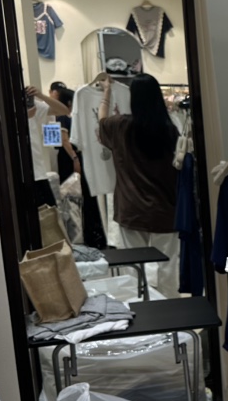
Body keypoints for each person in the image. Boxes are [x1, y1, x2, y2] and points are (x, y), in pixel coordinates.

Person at [98, 73, 179, 296]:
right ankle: (171, 307)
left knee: (134, 267)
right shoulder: (170, 130)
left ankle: (141, 307)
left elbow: (101, 121)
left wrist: (107, 92)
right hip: (166, 207)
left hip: (132, 206)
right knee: (168, 266)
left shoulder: (120, 126)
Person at [56, 87, 107, 249]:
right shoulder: (62, 116)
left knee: (83, 196)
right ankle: (82, 234)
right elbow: (64, 140)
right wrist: (75, 158)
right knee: (76, 196)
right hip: (70, 159)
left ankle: (89, 233)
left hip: (75, 158)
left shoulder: (70, 117)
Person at [26, 84, 69, 207]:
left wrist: (40, 95)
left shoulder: (32, 105)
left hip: (37, 171)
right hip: (12, 174)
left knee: (48, 214)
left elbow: (64, 110)